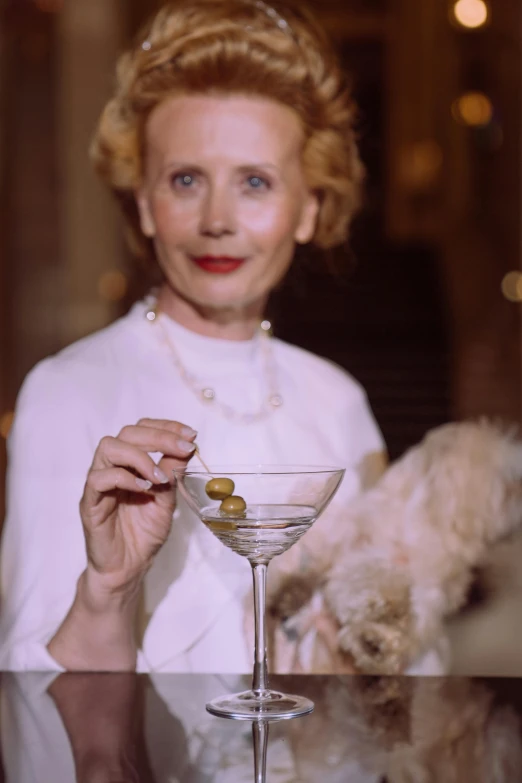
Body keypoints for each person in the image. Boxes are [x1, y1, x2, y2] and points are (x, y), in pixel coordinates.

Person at [0, 0, 386, 673]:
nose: (217, 219)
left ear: (308, 209)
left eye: (255, 183)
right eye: (186, 180)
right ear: (146, 203)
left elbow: (403, 659)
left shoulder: (337, 399)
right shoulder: (67, 392)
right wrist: (108, 590)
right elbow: (34, 702)